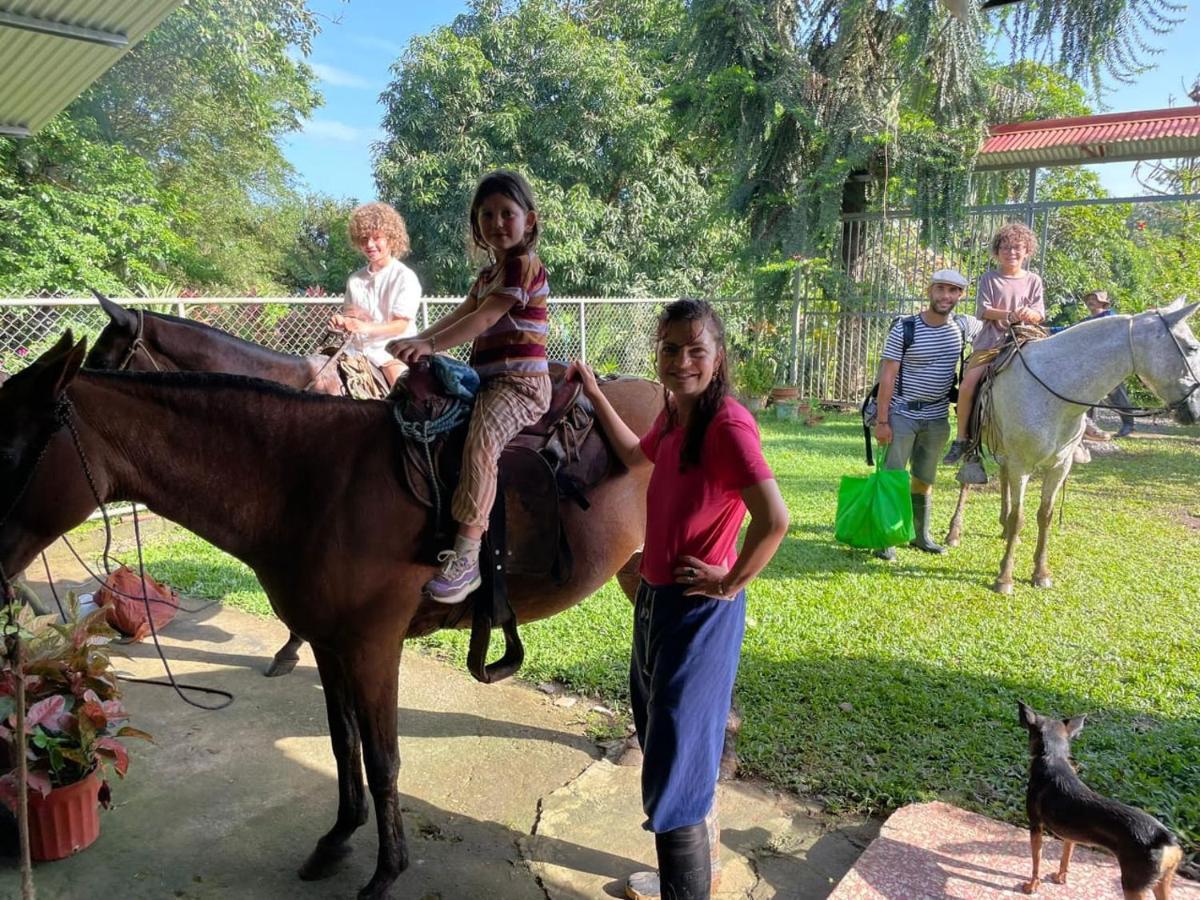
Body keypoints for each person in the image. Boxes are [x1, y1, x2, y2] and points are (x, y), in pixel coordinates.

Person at [568, 299, 789, 900]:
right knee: (665, 744)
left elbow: (774, 519)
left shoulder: (727, 425)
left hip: (700, 614)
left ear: (718, 358)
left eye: (696, 349)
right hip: (657, 602)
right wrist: (593, 389)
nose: (682, 360)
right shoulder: (676, 415)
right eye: (670, 349)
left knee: (678, 772)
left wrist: (729, 580)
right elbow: (638, 454)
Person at [390, 170, 552, 604]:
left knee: (481, 442)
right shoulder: (488, 274)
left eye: (507, 213)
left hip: (519, 386)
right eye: (486, 214)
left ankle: (467, 554)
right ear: (475, 223)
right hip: (488, 380)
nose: (497, 222)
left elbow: (484, 320)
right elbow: (463, 314)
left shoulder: (522, 266)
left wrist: (429, 344)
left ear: (529, 220)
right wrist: (420, 341)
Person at [872, 269, 981, 561]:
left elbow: (995, 334)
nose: (946, 296)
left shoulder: (964, 326)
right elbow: (888, 377)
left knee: (923, 478)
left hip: (937, 418)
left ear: (960, 296)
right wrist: (882, 422)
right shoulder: (905, 328)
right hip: (902, 414)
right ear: (930, 291)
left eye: (953, 291)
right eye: (941, 289)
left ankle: (922, 536)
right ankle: (887, 538)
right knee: (894, 476)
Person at [943, 222, 1045, 469]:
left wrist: (1029, 314)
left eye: (1017, 248)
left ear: (1027, 251)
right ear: (997, 251)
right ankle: (962, 438)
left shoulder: (1033, 280)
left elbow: (1040, 312)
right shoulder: (990, 278)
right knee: (968, 383)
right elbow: (983, 310)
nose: (1011, 252)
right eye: (1006, 247)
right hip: (992, 342)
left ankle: (1076, 430)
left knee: (1057, 369)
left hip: (1027, 338)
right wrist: (1009, 314)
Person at [329, 201, 422, 387]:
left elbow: (400, 326)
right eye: (364, 239)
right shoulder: (355, 279)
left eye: (376, 237)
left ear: (391, 238)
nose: (370, 244)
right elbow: (351, 317)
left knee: (404, 393)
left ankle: (412, 416)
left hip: (391, 352)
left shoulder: (404, 277)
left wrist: (363, 327)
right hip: (354, 353)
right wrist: (342, 322)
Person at [1074, 290, 1136, 439]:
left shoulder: (1111, 317)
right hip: (1091, 364)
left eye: (1094, 299)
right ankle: (1088, 426)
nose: (1090, 301)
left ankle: (1129, 425)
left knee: (1117, 394)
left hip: (1110, 364)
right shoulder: (1086, 321)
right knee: (1087, 396)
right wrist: (1050, 330)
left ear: (1103, 302)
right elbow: (1070, 331)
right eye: (1089, 299)